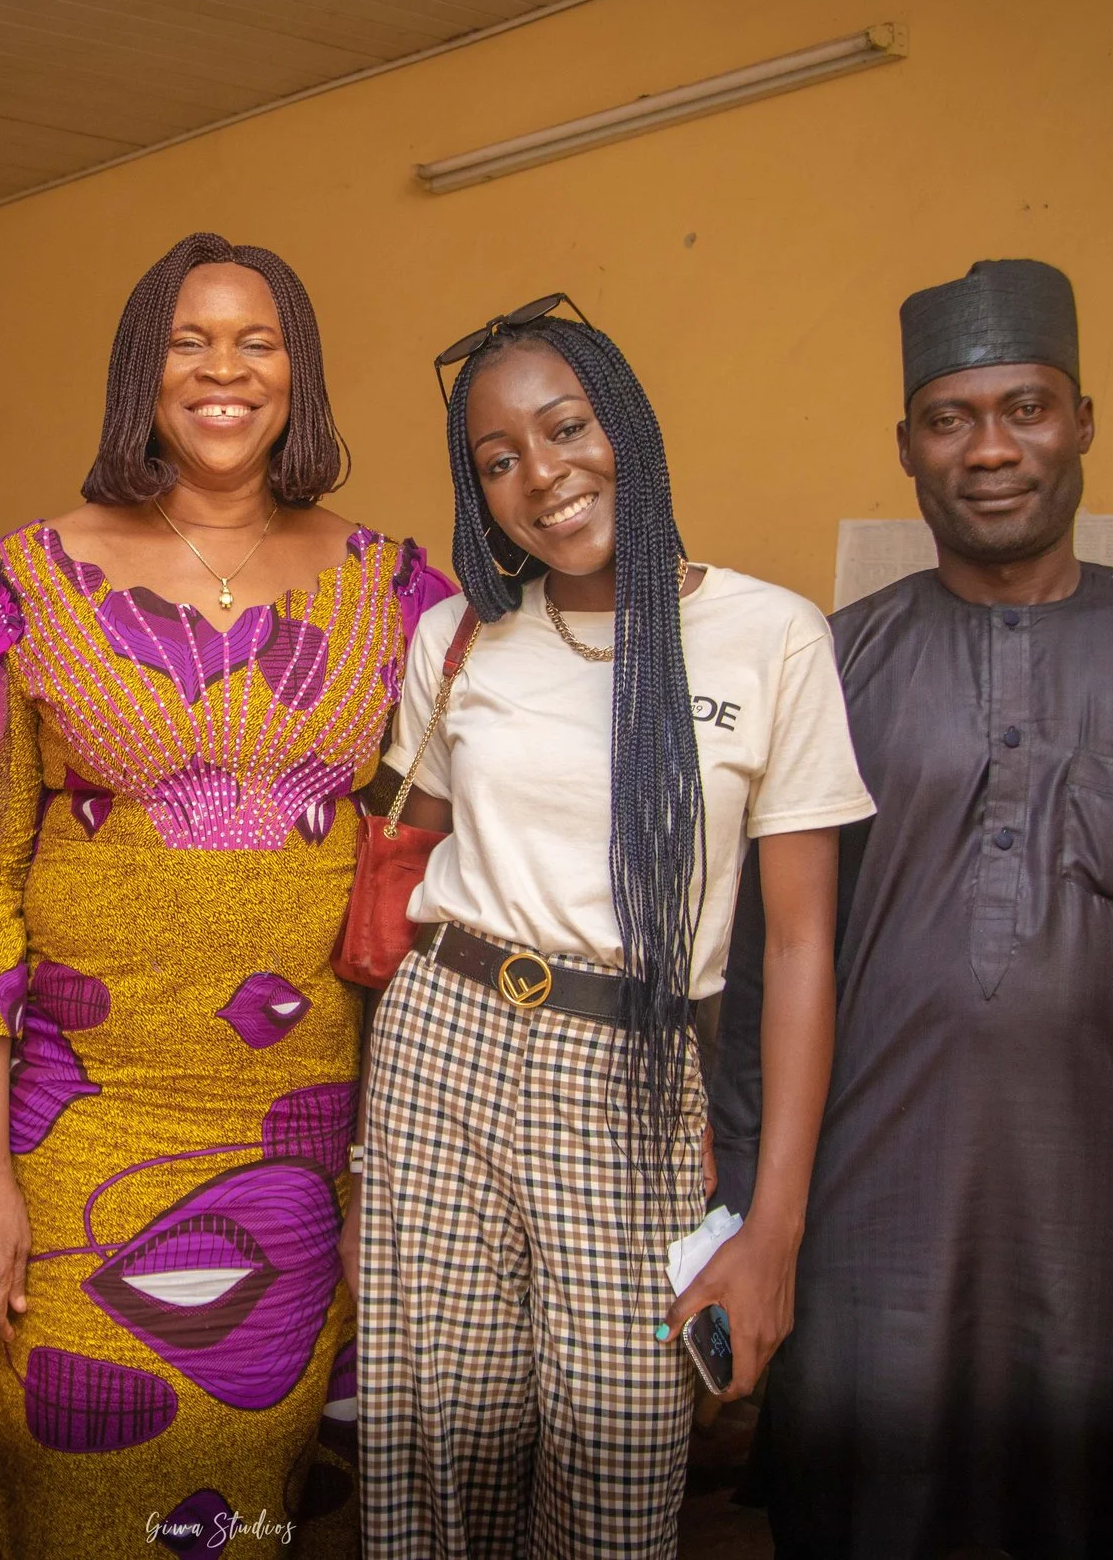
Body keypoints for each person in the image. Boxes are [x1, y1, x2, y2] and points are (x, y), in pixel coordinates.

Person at [719, 260, 1113, 1558]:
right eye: (952, 416)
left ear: (1084, 420)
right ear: (908, 448)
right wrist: (740, 1222)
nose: (991, 446)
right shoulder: (833, 663)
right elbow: (761, 972)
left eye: (1027, 407)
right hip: (867, 1241)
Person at [0, 232, 453, 1557]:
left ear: (301, 374)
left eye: (258, 340)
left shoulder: (400, 590)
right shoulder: (28, 576)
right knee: (65, 1453)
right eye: (190, 340)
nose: (224, 369)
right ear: (141, 372)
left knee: (241, 1480)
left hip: (292, 1127)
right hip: (79, 1123)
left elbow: (429, 860)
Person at [357, 298, 874, 1557]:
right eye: (497, 460)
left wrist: (773, 1231)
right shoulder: (458, 636)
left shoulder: (773, 638)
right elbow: (403, 840)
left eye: (565, 426)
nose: (541, 473)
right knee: (431, 1449)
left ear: (624, 429)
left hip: (630, 1069)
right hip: (440, 1042)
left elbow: (803, 948)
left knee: (615, 1466)